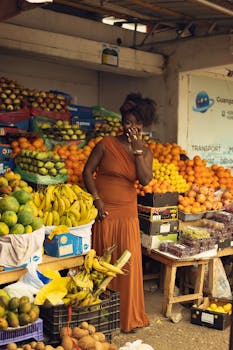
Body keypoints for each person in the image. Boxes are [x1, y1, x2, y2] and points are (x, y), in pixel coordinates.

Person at [82, 92, 157, 333]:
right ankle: (99, 317)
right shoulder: (106, 144)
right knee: (103, 261)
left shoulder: (145, 152)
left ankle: (128, 317)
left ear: (142, 125)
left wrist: (137, 152)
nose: (130, 127)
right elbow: (87, 172)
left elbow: (145, 180)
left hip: (127, 213)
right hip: (105, 211)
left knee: (127, 264)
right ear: (121, 122)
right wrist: (97, 200)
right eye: (126, 122)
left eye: (135, 123)